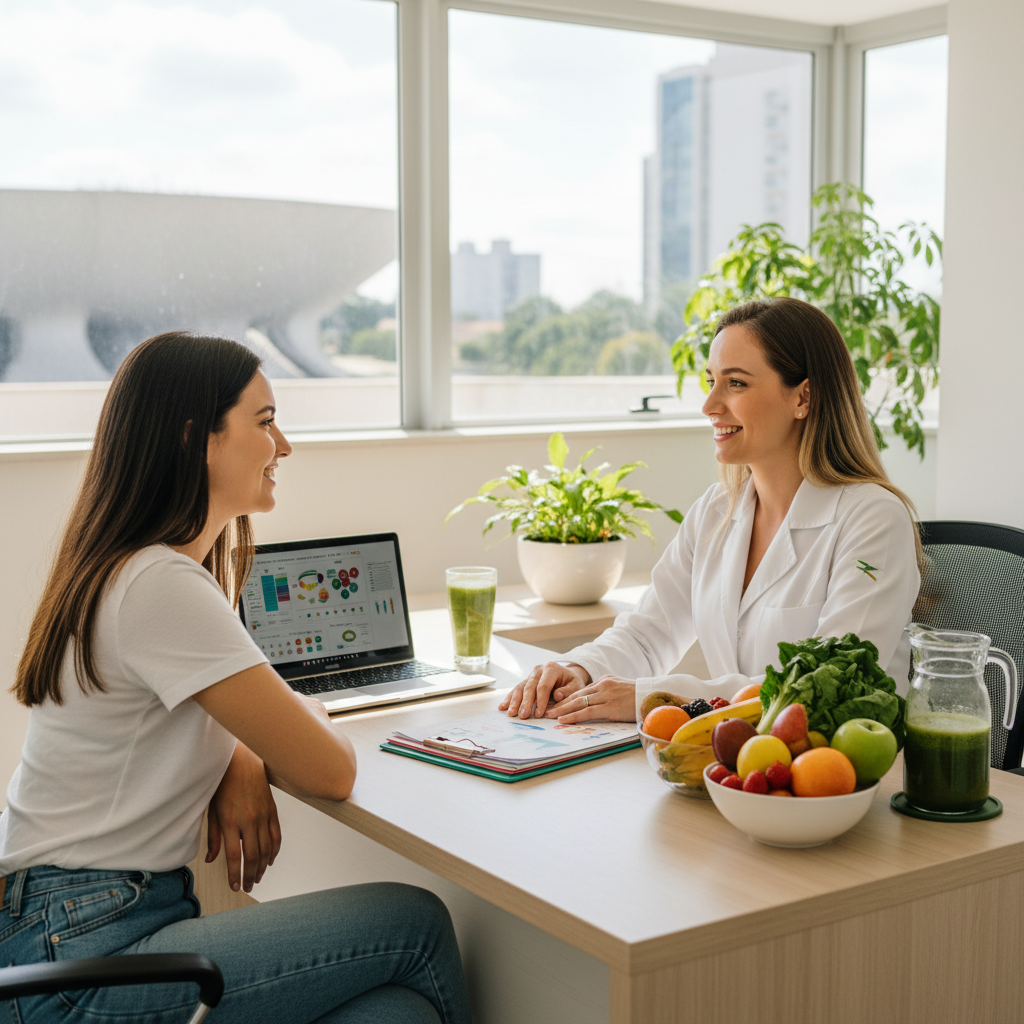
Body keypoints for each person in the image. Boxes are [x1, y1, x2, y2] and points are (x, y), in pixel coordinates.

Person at [0, 332, 471, 1024]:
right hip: (84, 952)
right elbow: (331, 770)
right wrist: (269, 737)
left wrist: (244, 748)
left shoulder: (129, 568)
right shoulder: (160, 583)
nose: (284, 447)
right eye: (266, 421)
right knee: (417, 923)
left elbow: (203, 712)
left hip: (65, 926)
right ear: (198, 438)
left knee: (397, 1013)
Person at [500, 297, 922, 725]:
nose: (710, 405)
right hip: (741, 762)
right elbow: (649, 632)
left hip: (845, 773)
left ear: (803, 397)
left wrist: (659, 698)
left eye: (735, 383)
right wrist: (579, 669)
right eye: (711, 381)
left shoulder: (874, 518)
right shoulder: (716, 511)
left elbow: (824, 682)